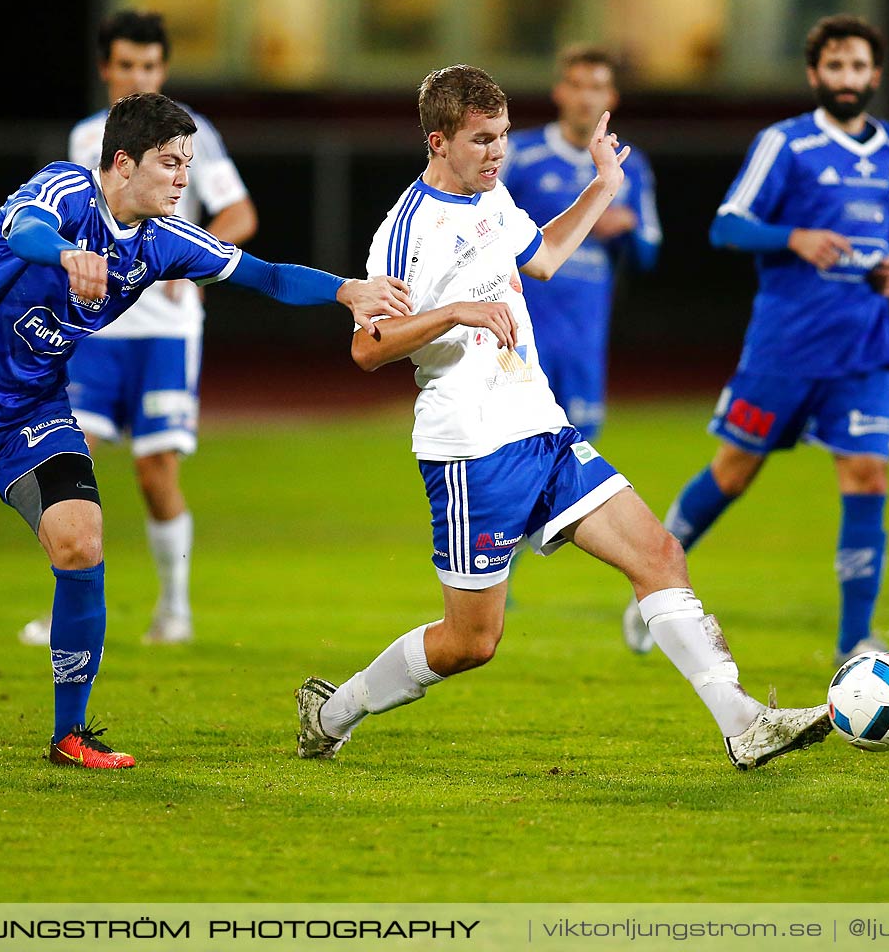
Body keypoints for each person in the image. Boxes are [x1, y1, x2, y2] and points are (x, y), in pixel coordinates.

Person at [0, 92, 410, 768]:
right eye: (170, 164)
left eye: (187, 165)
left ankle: (69, 734)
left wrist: (347, 289)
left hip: (33, 408)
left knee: (80, 541)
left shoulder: (165, 240)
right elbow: (23, 227)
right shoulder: (65, 189)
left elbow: (266, 275)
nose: (182, 179)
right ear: (122, 162)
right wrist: (63, 255)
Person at [293, 65, 831, 770]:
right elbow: (367, 347)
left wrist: (604, 184)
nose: (497, 153)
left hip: (541, 429)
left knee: (661, 555)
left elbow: (541, 257)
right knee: (471, 643)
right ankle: (332, 712)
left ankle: (744, 723)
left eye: (504, 138)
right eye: (482, 140)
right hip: (471, 452)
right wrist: (453, 310)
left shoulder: (493, 196)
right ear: (438, 141)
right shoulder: (408, 232)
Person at [624, 15, 889, 663]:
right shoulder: (784, 145)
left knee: (868, 475)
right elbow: (727, 226)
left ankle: (854, 644)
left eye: (859, 67)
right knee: (733, 472)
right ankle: (652, 586)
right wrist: (794, 237)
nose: (847, 78)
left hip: (865, 343)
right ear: (815, 75)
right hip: (785, 345)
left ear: (876, 75)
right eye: (835, 67)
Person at [19, 10, 257, 648]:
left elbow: (239, 212)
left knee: (156, 473)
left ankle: (174, 610)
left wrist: (192, 255)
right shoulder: (83, 139)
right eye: (126, 65)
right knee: (69, 468)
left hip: (166, 332)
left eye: (149, 66)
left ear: (164, 70)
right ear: (106, 69)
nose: (137, 76)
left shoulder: (192, 133)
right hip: (92, 332)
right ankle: (61, 611)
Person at [499, 45, 660, 441]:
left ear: (612, 98)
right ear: (559, 92)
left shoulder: (628, 165)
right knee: (513, 444)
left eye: (597, 87)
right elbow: (481, 222)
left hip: (585, 329)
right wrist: (579, 222)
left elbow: (649, 252)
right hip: (520, 327)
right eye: (576, 85)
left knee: (578, 451)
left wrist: (626, 226)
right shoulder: (519, 153)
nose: (586, 96)